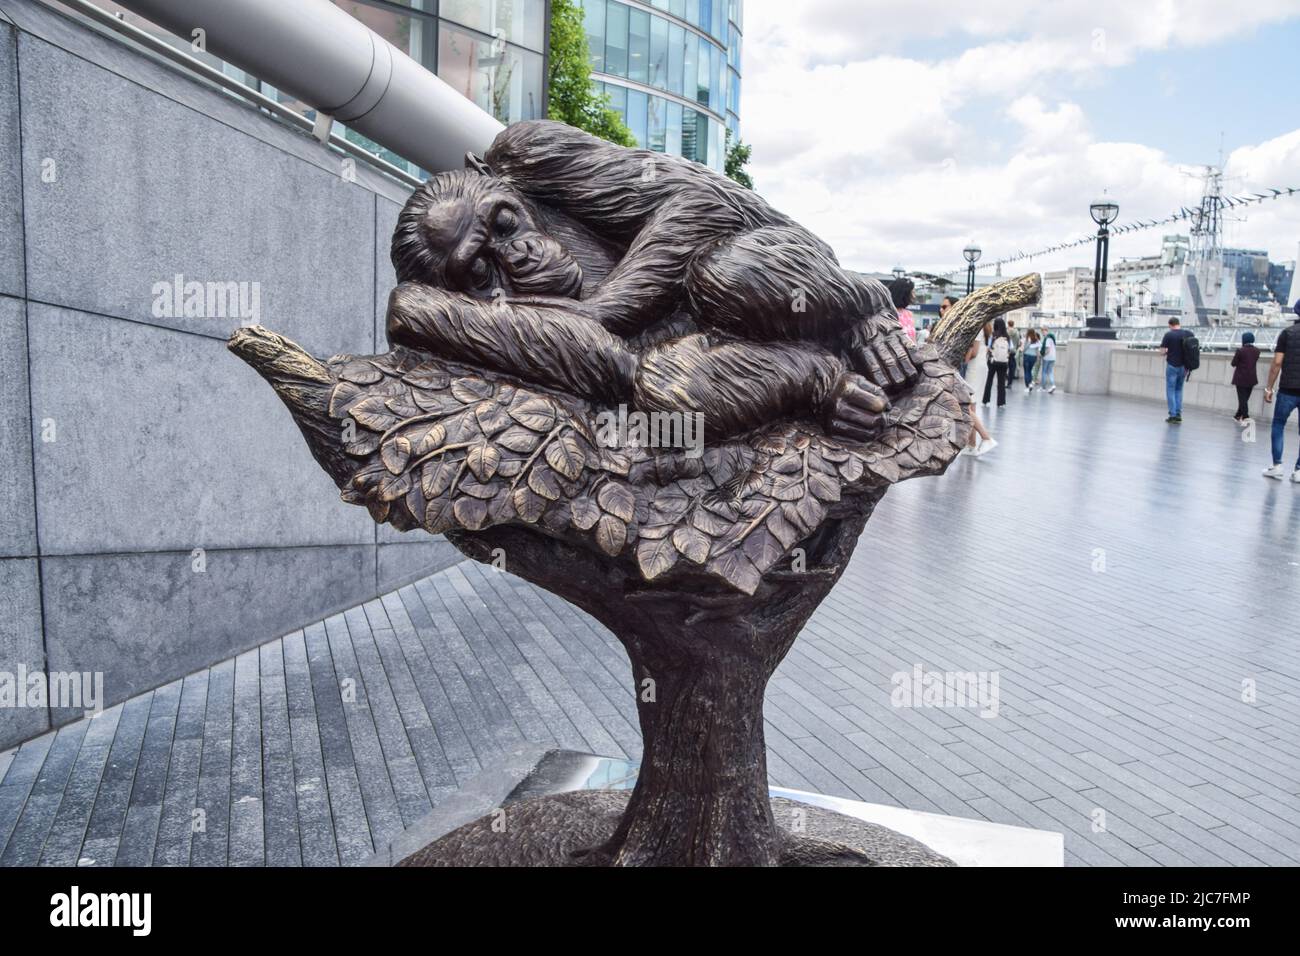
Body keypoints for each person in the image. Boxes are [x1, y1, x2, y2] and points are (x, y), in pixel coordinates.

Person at [1262, 301, 1300, 481]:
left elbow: (1277, 363)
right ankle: (1299, 470)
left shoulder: (1287, 333)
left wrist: (1269, 387)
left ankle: (1277, 465)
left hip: (1288, 389)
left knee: (1278, 425)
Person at [961, 333, 997, 457]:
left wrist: (964, 357)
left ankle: (986, 438)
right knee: (971, 407)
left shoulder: (978, 329)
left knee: (967, 407)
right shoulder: (985, 329)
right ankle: (971, 445)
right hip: (980, 366)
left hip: (974, 368)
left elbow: (974, 352)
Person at [1159, 317, 1193, 424]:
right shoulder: (1188, 334)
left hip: (1172, 366)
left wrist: (1167, 351)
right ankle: (1178, 414)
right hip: (1184, 367)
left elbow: (1162, 351)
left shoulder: (1169, 335)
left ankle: (1172, 415)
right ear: (1178, 324)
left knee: (1170, 389)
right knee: (1179, 389)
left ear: (1170, 325)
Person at [1231, 331, 1260, 426]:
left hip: (1240, 378)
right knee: (1244, 399)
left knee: (1242, 399)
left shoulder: (1240, 351)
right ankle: (1237, 415)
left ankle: (1246, 416)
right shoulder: (1257, 351)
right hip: (1252, 378)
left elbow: (1233, 363)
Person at [983, 317, 1011, 407]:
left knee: (989, 380)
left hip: (993, 362)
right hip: (1003, 363)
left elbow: (989, 347)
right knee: (1001, 382)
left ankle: (986, 401)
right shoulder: (1007, 337)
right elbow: (1011, 349)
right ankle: (1001, 403)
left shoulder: (993, 335)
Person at [888, 277, 918, 343]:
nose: (914, 296)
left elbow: (913, 340)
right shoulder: (887, 314)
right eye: (912, 292)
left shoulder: (909, 314)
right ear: (904, 294)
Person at [1022, 329, 1041, 393]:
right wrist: (1038, 358)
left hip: (1027, 356)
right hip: (1034, 357)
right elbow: (1038, 350)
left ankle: (1028, 386)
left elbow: (1024, 348)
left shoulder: (1027, 339)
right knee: (1029, 371)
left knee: (1026, 371)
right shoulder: (1036, 340)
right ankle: (1030, 384)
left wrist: (1023, 352)